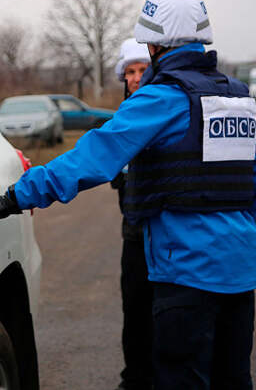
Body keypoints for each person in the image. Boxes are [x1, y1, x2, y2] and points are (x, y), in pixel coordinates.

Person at [0, 0, 256, 390]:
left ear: (153, 44)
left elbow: (92, 157)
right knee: (233, 380)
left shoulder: (160, 98)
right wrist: (235, 245)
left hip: (185, 274)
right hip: (239, 275)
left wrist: (17, 195)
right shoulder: (237, 97)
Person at [110, 38, 153, 390]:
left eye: (142, 69)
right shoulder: (120, 119)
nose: (136, 78)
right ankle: (135, 378)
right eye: (130, 72)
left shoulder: (167, 109)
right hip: (133, 232)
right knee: (135, 311)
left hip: (167, 233)